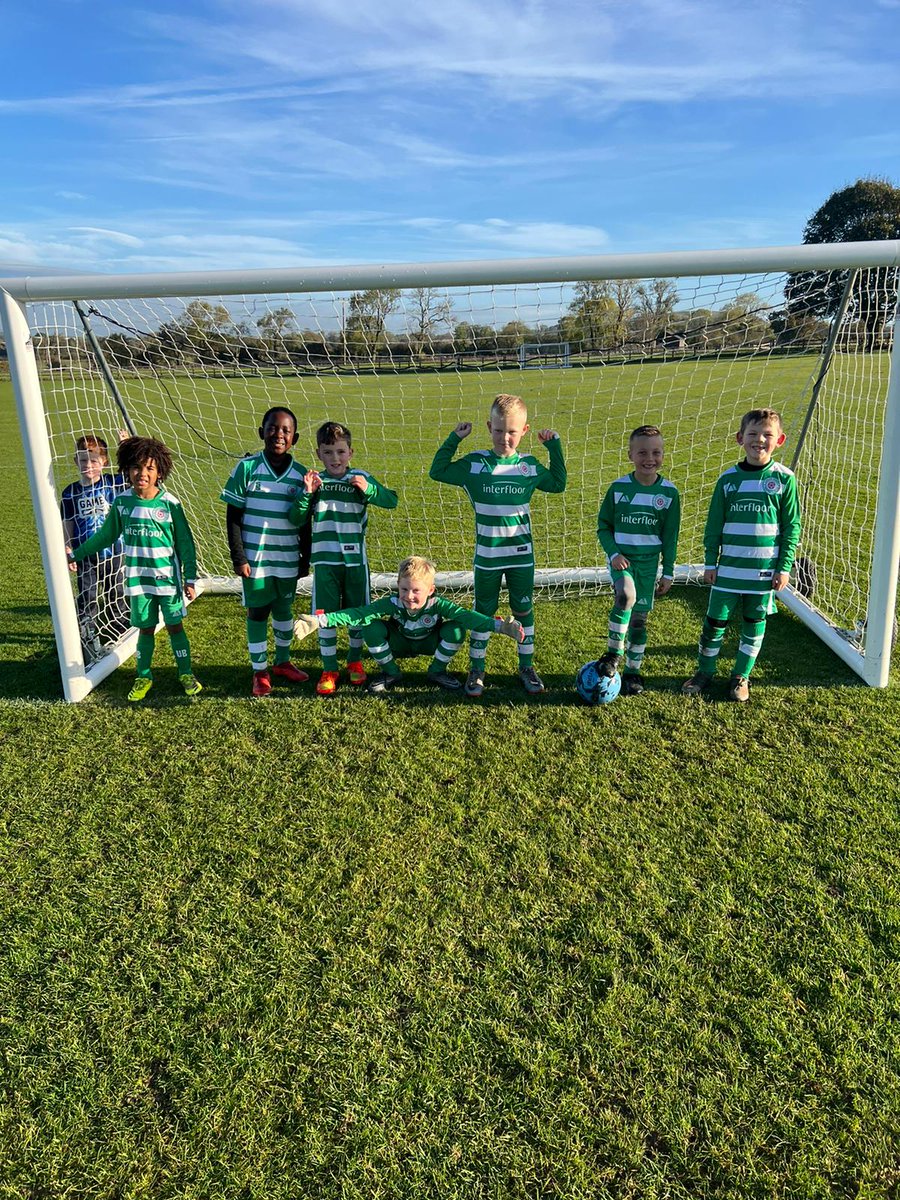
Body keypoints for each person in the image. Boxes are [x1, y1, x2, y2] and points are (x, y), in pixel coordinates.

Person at [429, 393, 566, 698]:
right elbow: (437, 471)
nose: (505, 438)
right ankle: (477, 669)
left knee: (523, 609)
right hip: (488, 557)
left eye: (513, 432)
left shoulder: (529, 466)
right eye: (499, 430)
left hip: (521, 556)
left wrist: (554, 448)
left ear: (524, 431)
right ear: (489, 427)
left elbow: (558, 484)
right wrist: (454, 439)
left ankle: (526, 666)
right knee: (483, 610)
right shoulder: (475, 465)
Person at [66, 436, 202, 701]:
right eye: (137, 467)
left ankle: (185, 672)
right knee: (146, 629)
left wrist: (191, 577)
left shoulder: (170, 504)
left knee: (175, 626)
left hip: (167, 581)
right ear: (127, 469)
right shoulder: (122, 503)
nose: (143, 473)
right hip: (138, 581)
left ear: (159, 472)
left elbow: (186, 543)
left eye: (150, 468)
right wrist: (78, 553)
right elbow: (105, 536)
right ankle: (143, 675)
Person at [682, 408, 801, 702]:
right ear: (740, 438)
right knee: (714, 623)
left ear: (780, 440)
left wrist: (783, 567)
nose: (759, 439)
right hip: (729, 570)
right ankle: (704, 671)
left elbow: (791, 527)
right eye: (752, 434)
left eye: (767, 435)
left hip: (763, 573)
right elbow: (714, 526)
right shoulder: (728, 480)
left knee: (753, 624)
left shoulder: (785, 479)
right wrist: (711, 562)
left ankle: (740, 676)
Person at [292, 555, 524, 695]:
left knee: (455, 628)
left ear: (430, 590)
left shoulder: (438, 604)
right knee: (370, 626)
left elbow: (467, 616)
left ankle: (436, 672)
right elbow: (358, 614)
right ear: (398, 586)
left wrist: (501, 627)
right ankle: (391, 673)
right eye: (404, 589)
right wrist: (319, 620)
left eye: (416, 591)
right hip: (399, 644)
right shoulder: (393, 603)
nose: (409, 596)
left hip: (427, 643)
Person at [288, 421, 398, 696]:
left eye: (340, 451)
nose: (335, 459)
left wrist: (370, 490)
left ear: (350, 452)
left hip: (356, 563)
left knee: (357, 613)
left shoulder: (360, 477)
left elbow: (391, 500)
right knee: (324, 615)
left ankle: (354, 661)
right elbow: (296, 518)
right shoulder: (316, 482)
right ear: (318, 453)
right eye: (328, 452)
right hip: (325, 563)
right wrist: (306, 494)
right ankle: (328, 668)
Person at [221, 407, 311, 697]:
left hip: (287, 558)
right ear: (262, 432)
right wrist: (239, 557)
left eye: (285, 430)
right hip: (256, 561)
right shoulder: (246, 469)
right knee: (258, 612)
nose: (279, 435)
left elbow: (305, 523)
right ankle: (259, 671)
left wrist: (304, 559)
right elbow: (233, 515)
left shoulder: (301, 476)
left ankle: (283, 662)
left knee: (284, 610)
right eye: (273, 428)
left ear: (294, 438)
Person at [595, 425, 680, 695]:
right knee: (625, 596)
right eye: (642, 452)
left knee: (639, 620)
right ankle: (612, 655)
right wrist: (614, 553)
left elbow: (670, 537)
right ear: (630, 454)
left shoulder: (669, 493)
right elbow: (603, 526)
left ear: (663, 454)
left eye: (656, 452)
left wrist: (668, 572)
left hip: (648, 564)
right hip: (623, 560)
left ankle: (633, 672)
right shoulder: (619, 488)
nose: (649, 458)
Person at [61, 432, 131, 662]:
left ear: (104, 462)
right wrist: (68, 549)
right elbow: (67, 523)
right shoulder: (70, 492)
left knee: (116, 591)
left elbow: (131, 469)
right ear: (75, 462)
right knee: (87, 595)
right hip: (85, 554)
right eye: (83, 461)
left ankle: (120, 627)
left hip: (114, 551)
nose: (88, 466)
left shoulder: (113, 482)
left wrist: (125, 444)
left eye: (93, 460)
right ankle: (87, 633)